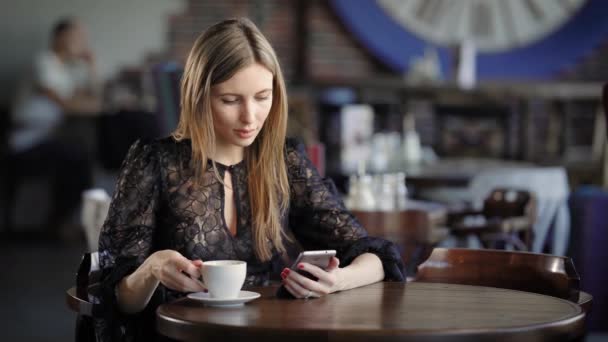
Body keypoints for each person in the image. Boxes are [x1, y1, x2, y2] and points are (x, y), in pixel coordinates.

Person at [97, 18, 405, 341]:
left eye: (262, 97)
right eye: (230, 100)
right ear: (198, 96)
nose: (250, 117)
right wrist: (153, 268)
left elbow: (377, 258)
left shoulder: (285, 163)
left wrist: (337, 280)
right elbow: (118, 300)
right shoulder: (154, 162)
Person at [8, 17, 100, 237]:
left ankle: (65, 221)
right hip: (26, 141)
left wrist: (92, 66)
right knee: (79, 157)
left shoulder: (66, 68)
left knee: (83, 152)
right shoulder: (43, 62)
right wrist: (94, 106)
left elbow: (91, 95)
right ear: (60, 37)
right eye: (76, 37)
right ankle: (58, 223)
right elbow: (65, 104)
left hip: (48, 137)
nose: (81, 43)